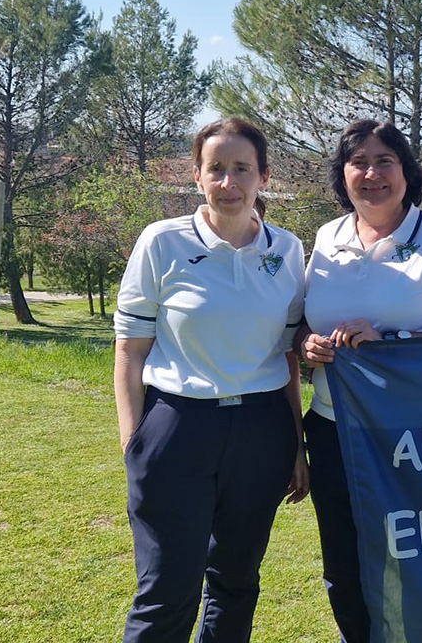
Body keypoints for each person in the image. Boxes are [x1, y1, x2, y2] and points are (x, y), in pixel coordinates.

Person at [113, 118, 309, 642]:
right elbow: (129, 352)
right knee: (167, 590)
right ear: (196, 176)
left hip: (262, 429)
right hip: (178, 425)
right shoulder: (162, 241)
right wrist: (134, 444)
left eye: (242, 168)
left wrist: (296, 445)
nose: (229, 182)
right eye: (215, 168)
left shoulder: (288, 250)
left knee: (236, 584)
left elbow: (287, 357)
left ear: (263, 177)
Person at [298, 119, 422, 643]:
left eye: (385, 161)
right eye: (358, 162)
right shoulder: (327, 238)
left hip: (419, 433)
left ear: (406, 172)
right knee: (345, 565)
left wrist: (391, 341)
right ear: (342, 175)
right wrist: (308, 346)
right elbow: (303, 327)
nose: (372, 173)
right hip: (335, 430)